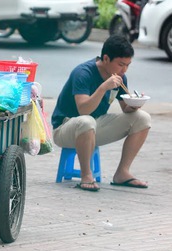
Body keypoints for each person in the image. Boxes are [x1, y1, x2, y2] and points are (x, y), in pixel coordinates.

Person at [51, 35, 151, 192]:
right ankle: (86, 175)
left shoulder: (120, 77)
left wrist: (134, 104)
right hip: (65, 127)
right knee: (86, 121)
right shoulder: (83, 73)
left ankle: (122, 173)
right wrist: (103, 87)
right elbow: (83, 110)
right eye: (120, 64)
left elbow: (126, 109)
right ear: (106, 58)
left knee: (143, 119)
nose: (124, 70)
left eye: (127, 65)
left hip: (94, 125)